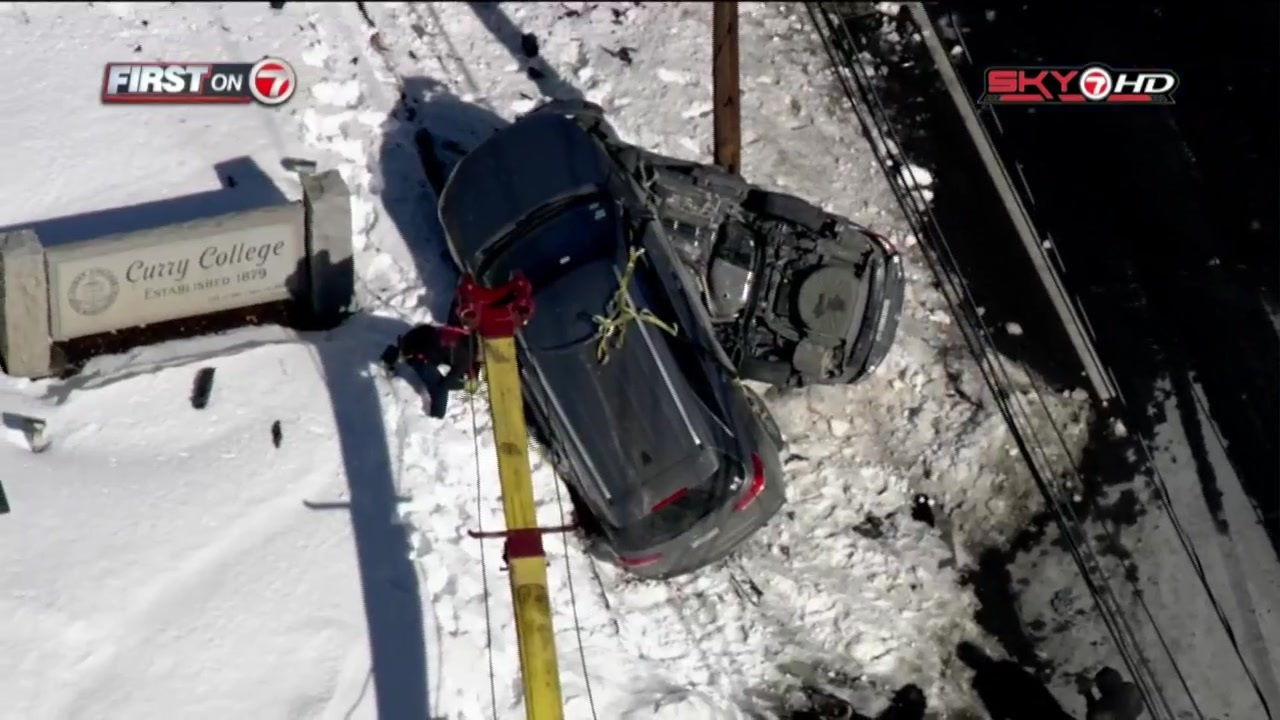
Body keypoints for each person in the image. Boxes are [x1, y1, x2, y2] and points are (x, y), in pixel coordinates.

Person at [381, 322, 478, 419]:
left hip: (416, 336)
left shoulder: (466, 334)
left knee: (436, 351)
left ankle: (390, 355)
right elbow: (446, 384)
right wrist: (465, 385)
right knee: (440, 390)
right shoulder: (466, 358)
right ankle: (436, 418)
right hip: (416, 356)